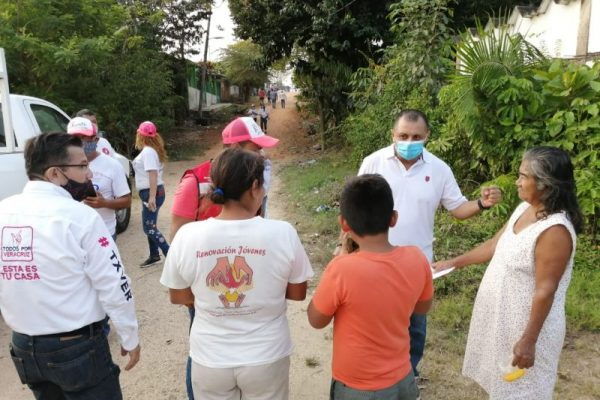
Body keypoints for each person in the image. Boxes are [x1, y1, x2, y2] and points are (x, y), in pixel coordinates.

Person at [356, 109, 502, 379]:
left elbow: (457, 208)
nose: (409, 142)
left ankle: (407, 378)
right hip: (373, 263)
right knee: (373, 324)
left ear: (427, 137)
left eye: (416, 137)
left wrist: (482, 204)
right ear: (392, 134)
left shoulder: (439, 169)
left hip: (417, 266)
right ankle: (376, 379)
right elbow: (355, 208)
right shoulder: (373, 163)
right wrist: (346, 248)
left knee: (415, 328)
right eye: (403, 136)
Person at [161, 148, 313, 400]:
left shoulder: (188, 235)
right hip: (266, 356)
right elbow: (297, 293)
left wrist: (210, 299)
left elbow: (177, 295)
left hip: (210, 358)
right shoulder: (282, 232)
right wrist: (265, 290)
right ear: (254, 186)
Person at [432, 147, 582, 399]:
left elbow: (546, 290)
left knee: (523, 392)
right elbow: (494, 245)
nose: (517, 181)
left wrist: (528, 341)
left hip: (526, 329)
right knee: (502, 388)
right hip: (503, 323)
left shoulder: (555, 231)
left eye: (524, 176)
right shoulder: (525, 208)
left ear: (545, 184)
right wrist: (454, 262)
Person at [0, 132, 140, 399]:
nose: (89, 174)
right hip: (76, 348)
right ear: (54, 173)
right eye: (82, 166)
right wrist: (129, 335)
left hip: (24, 348)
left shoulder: (4, 211)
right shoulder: (81, 217)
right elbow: (113, 283)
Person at [169, 116, 279, 400]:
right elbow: (179, 235)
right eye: (256, 149)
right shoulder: (194, 180)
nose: (262, 155)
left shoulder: (254, 180)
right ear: (237, 148)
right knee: (204, 345)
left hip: (245, 280)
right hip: (206, 284)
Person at [308, 174, 433, 400]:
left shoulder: (341, 269)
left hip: (356, 388)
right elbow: (422, 309)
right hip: (402, 379)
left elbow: (316, 320)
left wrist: (339, 260)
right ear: (393, 218)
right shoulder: (417, 258)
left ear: (344, 224)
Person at [67, 117, 131, 240]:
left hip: (104, 233)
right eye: (74, 138)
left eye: (83, 138)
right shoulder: (61, 166)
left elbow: (126, 201)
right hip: (73, 234)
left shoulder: (112, 165)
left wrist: (105, 203)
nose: (78, 143)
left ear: (95, 139)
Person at [132, 120, 170, 267]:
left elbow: (152, 174)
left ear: (140, 136)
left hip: (151, 193)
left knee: (149, 228)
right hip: (152, 192)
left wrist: (152, 196)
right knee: (150, 225)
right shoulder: (153, 150)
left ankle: (169, 254)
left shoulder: (148, 152)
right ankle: (154, 255)